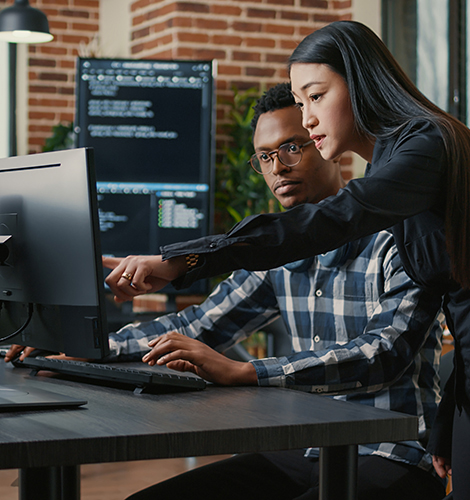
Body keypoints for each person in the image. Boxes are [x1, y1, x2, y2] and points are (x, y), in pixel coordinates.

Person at [103, 21, 470, 499]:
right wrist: (87, 348)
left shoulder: (423, 148)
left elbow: (335, 221)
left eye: (315, 97)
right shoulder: (400, 172)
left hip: (388, 451)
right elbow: (200, 323)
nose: (309, 118)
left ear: (359, 82)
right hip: (397, 419)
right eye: (301, 103)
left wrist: (184, 261)